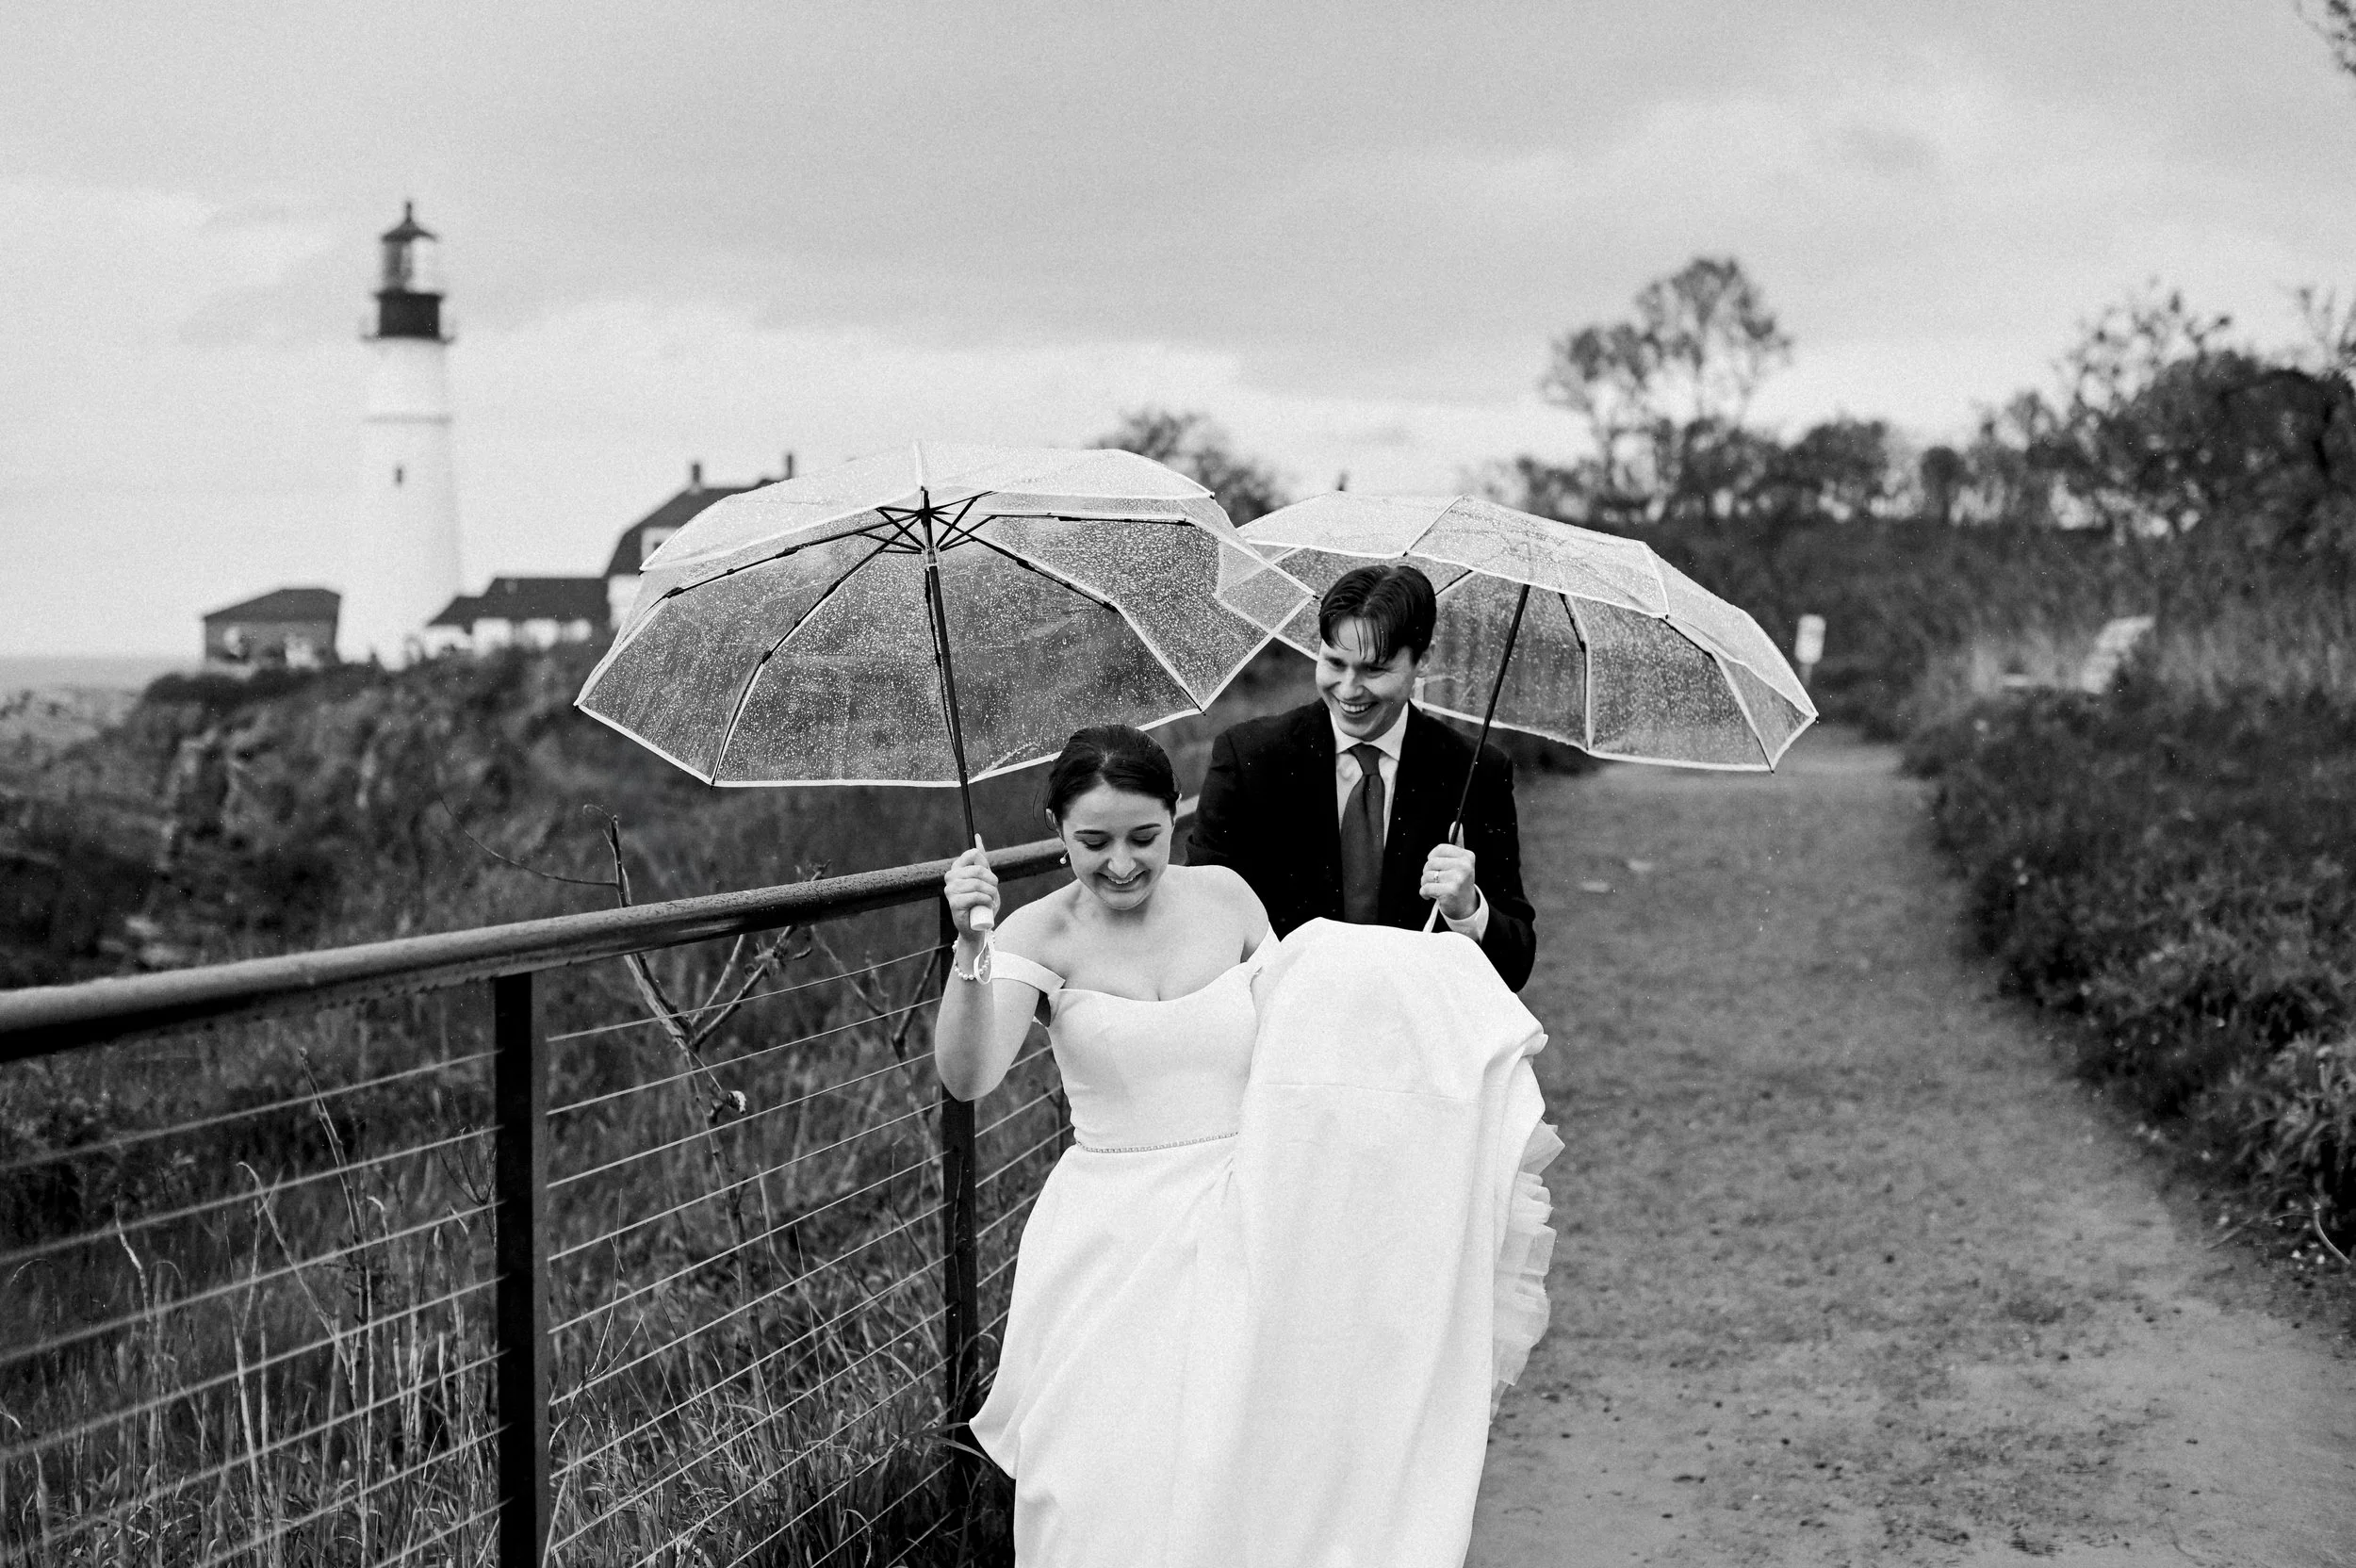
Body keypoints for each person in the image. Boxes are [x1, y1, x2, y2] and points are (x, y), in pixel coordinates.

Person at [937, 725, 1560, 1566]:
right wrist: (971, 945)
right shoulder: (1033, 936)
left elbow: (1305, 1024)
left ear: (1175, 821)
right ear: (1057, 832)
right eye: (1093, 842)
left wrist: (1435, 962)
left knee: (1243, 1462)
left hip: (1251, 1210)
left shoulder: (1225, 897)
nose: (1121, 863)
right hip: (1113, 1239)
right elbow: (970, 1075)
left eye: (1144, 838)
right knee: (1097, 1475)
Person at [1187, 562, 1537, 990]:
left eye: (1374, 670)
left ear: (1422, 660)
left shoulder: (1477, 772)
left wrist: (1468, 910)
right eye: (1334, 662)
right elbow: (1202, 920)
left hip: (1417, 1035)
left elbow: (1516, 964)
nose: (1348, 689)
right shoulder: (1249, 758)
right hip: (1286, 1029)